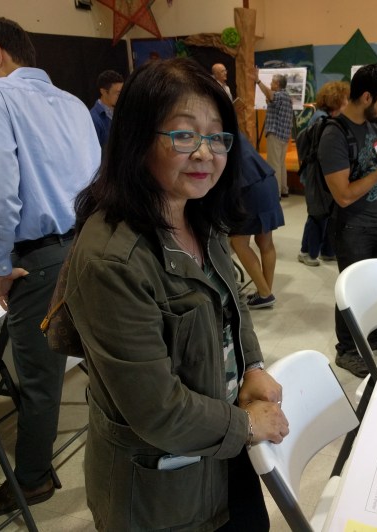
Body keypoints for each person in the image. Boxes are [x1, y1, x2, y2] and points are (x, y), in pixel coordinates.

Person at [64, 57, 288, 531]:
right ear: (137, 139)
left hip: (226, 449)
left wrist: (251, 365)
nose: (206, 152)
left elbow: (233, 304)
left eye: (217, 136)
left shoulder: (199, 215)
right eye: (184, 134)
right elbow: (156, 408)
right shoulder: (111, 259)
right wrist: (248, 425)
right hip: (163, 492)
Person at [0, 17, 101, 517]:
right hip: (88, 243)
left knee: (38, 379)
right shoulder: (73, 103)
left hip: (39, 258)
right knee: (94, 353)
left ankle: (34, 479)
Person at [318, 64, 377, 377]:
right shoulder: (334, 135)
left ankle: (376, 334)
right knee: (351, 290)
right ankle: (347, 350)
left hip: (376, 220)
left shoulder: (373, 125)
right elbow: (342, 194)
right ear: (366, 97)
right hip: (351, 226)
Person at [298, 80, 349, 267]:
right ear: (336, 101)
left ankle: (327, 251)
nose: (348, 104)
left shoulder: (325, 118)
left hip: (321, 175)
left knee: (327, 213)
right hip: (316, 176)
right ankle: (306, 252)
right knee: (317, 214)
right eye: (345, 100)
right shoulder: (321, 120)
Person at [230, 134, 285, 309]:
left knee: (238, 241)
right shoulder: (235, 132)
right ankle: (265, 292)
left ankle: (265, 293)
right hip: (267, 181)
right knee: (265, 242)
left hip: (249, 188)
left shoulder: (216, 135)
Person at [255, 70, 294, 197]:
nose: (271, 84)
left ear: (277, 84)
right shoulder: (287, 96)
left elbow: (270, 95)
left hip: (275, 134)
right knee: (281, 163)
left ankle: (275, 193)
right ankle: (284, 189)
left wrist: (258, 81)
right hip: (284, 135)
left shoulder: (278, 95)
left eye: (272, 82)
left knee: (274, 164)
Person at [89, 69, 124, 147]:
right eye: (118, 93)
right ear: (104, 92)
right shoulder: (93, 119)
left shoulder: (122, 112)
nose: (122, 97)